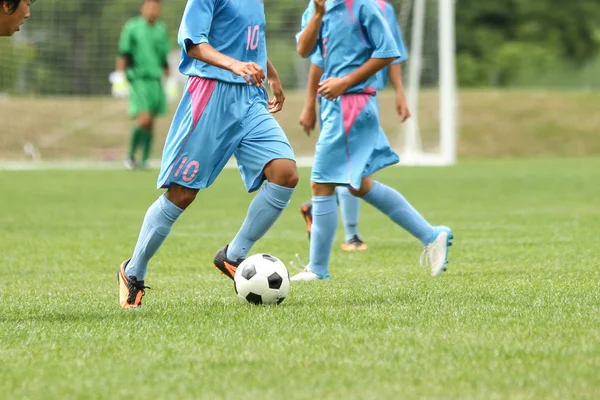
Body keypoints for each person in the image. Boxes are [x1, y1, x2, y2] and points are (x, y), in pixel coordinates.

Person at [118, 0, 298, 309]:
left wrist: (272, 74)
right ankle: (132, 271)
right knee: (182, 194)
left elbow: (251, 42)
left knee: (285, 174)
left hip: (250, 99)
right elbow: (194, 45)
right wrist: (234, 65)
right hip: (211, 96)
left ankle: (234, 255)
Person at [291, 0, 452, 281]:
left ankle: (317, 269)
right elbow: (305, 51)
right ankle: (430, 234)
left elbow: (388, 51)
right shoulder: (316, 7)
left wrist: (346, 81)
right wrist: (317, 14)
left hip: (353, 103)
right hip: (332, 106)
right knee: (359, 185)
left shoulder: (363, 6)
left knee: (321, 182)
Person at [298, 0, 410, 252]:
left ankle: (332, 238)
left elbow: (391, 52)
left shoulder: (377, 8)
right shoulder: (323, 7)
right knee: (349, 174)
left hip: (360, 96)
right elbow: (316, 59)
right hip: (336, 100)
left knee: (349, 174)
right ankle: (349, 237)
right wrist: (309, 105)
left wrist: (399, 91)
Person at [111, 0, 171, 170]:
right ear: (143, 8)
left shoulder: (161, 29)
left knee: (151, 121)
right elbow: (124, 53)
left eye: (156, 6)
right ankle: (130, 156)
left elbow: (164, 57)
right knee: (143, 118)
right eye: (150, 6)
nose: (153, 10)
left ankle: (144, 160)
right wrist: (119, 77)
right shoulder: (133, 27)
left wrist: (170, 78)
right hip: (139, 78)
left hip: (155, 80)